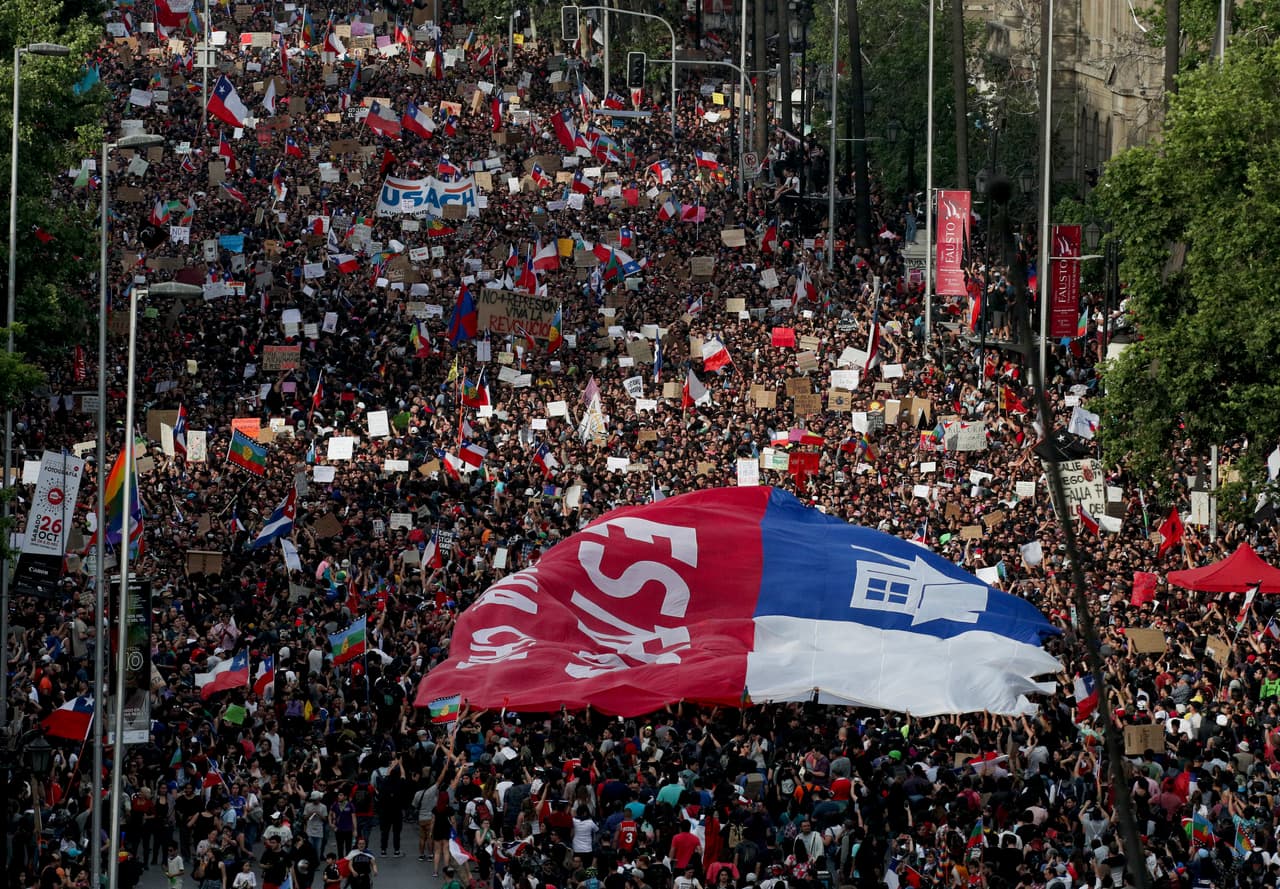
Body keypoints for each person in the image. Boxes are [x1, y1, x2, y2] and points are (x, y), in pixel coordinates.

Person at [330, 792, 356, 859]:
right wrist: (331, 824)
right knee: (340, 847)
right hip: (338, 829)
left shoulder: (350, 805)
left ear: (345, 797)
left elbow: (353, 817)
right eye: (338, 795)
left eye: (341, 795)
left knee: (348, 847)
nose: (339, 796)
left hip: (348, 829)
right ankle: (341, 862)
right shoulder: (335, 804)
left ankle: (348, 862)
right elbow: (330, 814)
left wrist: (355, 829)